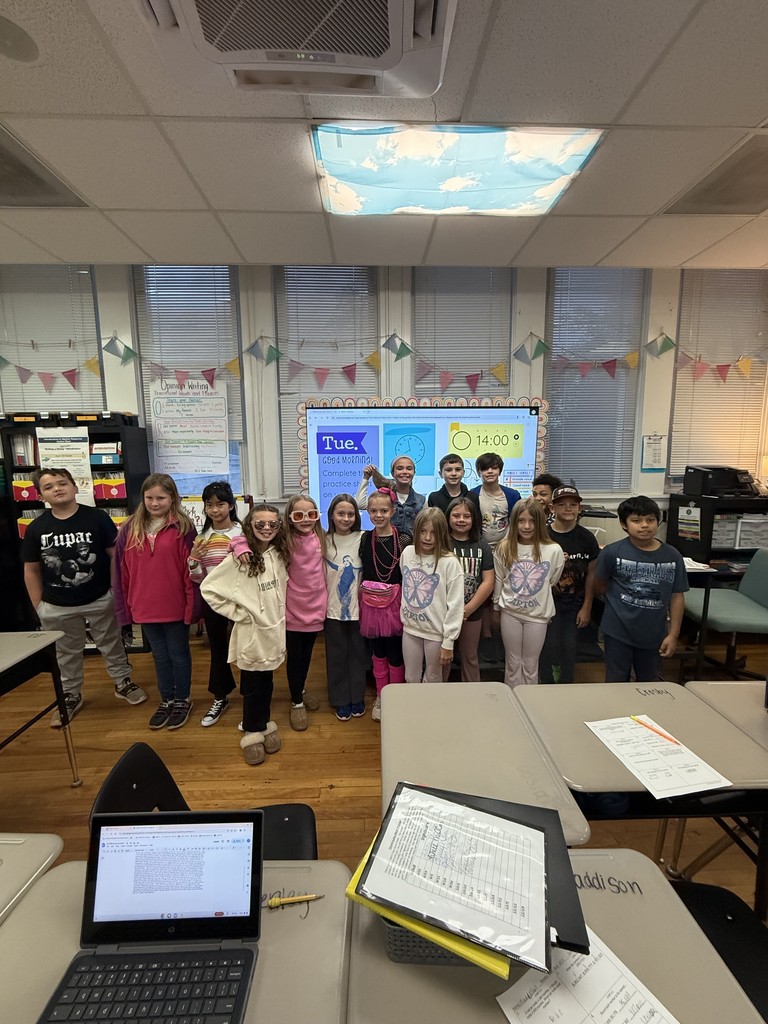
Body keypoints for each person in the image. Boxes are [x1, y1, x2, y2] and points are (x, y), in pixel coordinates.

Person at [22, 467, 146, 727]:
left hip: (100, 597)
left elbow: (115, 555)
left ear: (75, 487)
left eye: (62, 483)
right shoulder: (36, 528)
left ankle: (122, 681)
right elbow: (31, 568)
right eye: (49, 486)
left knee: (112, 642)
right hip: (56, 604)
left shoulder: (97, 518)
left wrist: (115, 590)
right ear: (40, 495)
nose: (57, 489)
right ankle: (70, 693)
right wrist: (39, 605)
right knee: (66, 652)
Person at [201, 505, 289, 764]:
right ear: (249, 525)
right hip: (252, 634)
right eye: (260, 524)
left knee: (268, 682)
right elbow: (209, 589)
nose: (266, 529)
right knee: (251, 685)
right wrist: (239, 613)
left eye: (272, 524)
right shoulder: (239, 558)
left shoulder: (279, 553)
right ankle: (252, 730)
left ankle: (263, 723)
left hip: (273, 632)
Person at [113, 473, 197, 730]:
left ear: (172, 498)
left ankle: (182, 698)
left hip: (174, 605)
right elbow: (121, 571)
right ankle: (167, 699)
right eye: (149, 497)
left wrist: (191, 608)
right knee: (160, 656)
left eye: (161, 497)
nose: (155, 503)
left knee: (179, 655)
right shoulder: (129, 528)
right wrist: (124, 609)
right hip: (144, 606)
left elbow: (190, 571)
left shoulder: (183, 528)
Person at [594, 495, 688, 683]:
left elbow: (677, 596)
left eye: (650, 520)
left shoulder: (672, 555)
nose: (644, 525)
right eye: (636, 521)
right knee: (616, 681)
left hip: (653, 633)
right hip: (618, 630)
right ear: (624, 524)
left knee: (647, 682)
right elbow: (600, 585)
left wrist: (673, 634)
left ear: (657, 521)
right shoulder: (612, 552)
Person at [187, 481, 243, 727]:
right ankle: (220, 696)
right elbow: (199, 577)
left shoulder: (243, 533)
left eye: (220, 504)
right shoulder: (202, 538)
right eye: (209, 505)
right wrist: (194, 561)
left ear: (231, 505)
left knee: (246, 648)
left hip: (241, 599)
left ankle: (253, 696)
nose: (214, 510)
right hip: (213, 601)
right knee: (218, 649)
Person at [493, 497, 565, 688]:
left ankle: (528, 701)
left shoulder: (553, 550)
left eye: (532, 521)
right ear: (514, 522)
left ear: (540, 522)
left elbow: (551, 580)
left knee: (530, 664)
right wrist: (495, 607)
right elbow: (500, 579)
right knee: (513, 662)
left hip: (537, 616)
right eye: (521, 521)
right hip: (510, 613)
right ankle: (512, 700)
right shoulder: (504, 547)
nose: (526, 526)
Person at [359, 487, 411, 721]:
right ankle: (381, 695)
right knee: (377, 652)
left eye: (383, 510)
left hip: (396, 604)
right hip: (371, 604)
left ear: (392, 511)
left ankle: (397, 695)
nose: (378, 515)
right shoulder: (365, 538)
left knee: (396, 651)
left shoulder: (405, 538)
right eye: (373, 511)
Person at [539, 486, 599, 683]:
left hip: (575, 603)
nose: (568, 509)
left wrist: (587, 606)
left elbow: (592, 574)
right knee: (549, 644)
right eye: (562, 504)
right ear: (552, 507)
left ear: (579, 508)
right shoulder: (544, 536)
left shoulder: (587, 538)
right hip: (549, 603)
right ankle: (546, 682)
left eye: (573, 505)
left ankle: (566, 683)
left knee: (569, 645)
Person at [400, 508, 464, 683]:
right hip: (411, 629)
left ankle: (431, 710)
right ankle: (414, 710)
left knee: (433, 677)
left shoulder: (450, 562)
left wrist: (448, 641)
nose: (427, 538)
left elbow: (456, 605)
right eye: (423, 531)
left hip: (436, 633)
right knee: (410, 677)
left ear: (442, 534)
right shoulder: (407, 553)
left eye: (433, 533)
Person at [279, 495, 326, 730]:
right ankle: (296, 701)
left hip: (316, 609)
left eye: (311, 515)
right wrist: (238, 546)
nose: (305, 520)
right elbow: (246, 539)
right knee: (295, 658)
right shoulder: (284, 539)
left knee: (306, 656)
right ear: (289, 518)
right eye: (299, 515)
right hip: (293, 611)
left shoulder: (322, 538)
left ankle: (300, 688)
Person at [324, 494, 365, 721]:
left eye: (351, 514)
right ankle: (340, 699)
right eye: (341, 513)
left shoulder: (364, 537)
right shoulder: (323, 539)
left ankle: (357, 696)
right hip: (331, 607)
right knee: (336, 655)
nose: (346, 518)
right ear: (332, 515)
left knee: (358, 654)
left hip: (360, 609)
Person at [445, 496, 495, 681]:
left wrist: (468, 609)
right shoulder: (442, 544)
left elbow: (488, 581)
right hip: (444, 612)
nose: (461, 520)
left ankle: (473, 697)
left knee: (470, 657)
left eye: (466, 516)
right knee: (443, 658)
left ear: (474, 519)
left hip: (472, 613)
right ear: (448, 517)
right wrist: (453, 611)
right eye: (456, 515)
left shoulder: (482, 546)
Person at [356, 456, 425, 534]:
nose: (405, 472)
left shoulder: (421, 500)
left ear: (414, 472)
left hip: (411, 545)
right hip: (385, 543)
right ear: (392, 473)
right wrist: (366, 478)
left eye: (409, 468)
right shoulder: (384, 496)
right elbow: (359, 504)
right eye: (399, 468)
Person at [470, 452, 522, 549]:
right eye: (485, 469)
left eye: (494, 468)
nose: (490, 471)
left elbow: (518, 522)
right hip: (479, 548)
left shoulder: (512, 496)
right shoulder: (472, 495)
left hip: (506, 548)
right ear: (479, 472)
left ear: (500, 471)